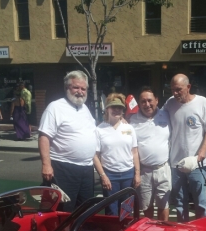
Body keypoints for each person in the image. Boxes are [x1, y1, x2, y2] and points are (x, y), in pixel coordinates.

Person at [38, 70, 97, 212]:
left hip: (86, 169)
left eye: (83, 88)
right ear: (67, 88)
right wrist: (46, 164)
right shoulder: (55, 107)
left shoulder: (85, 109)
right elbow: (44, 136)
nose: (80, 92)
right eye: (76, 87)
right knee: (62, 209)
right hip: (63, 168)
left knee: (85, 207)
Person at [163, 73, 206, 222]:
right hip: (176, 163)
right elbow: (156, 117)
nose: (175, 93)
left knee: (201, 203)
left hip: (197, 164)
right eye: (172, 89)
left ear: (188, 87)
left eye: (178, 89)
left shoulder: (202, 102)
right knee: (179, 204)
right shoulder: (170, 103)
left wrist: (201, 154)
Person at [93, 93, 140, 216]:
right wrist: (103, 176)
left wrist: (137, 174)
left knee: (127, 210)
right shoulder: (99, 130)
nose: (116, 110)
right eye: (113, 107)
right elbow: (95, 156)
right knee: (111, 210)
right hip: (109, 175)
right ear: (107, 109)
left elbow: (134, 152)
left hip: (128, 174)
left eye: (119, 107)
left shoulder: (129, 128)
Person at [129, 87, 171, 221]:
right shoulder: (132, 121)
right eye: (143, 101)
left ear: (157, 100)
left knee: (164, 205)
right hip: (144, 172)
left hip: (163, 169)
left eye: (150, 100)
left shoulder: (166, 115)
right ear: (139, 103)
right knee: (146, 206)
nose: (147, 104)